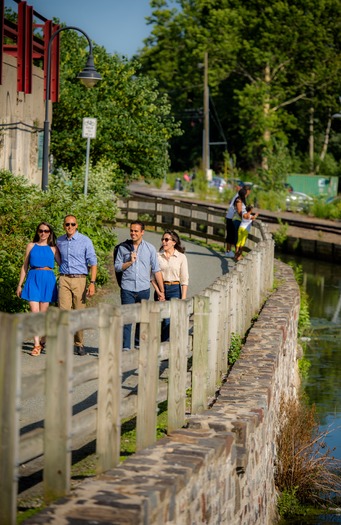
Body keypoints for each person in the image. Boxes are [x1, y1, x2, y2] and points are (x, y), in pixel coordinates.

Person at [114, 221, 165, 350]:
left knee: (141, 319)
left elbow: (156, 270)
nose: (133, 233)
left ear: (142, 232)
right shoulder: (122, 248)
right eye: (131, 230)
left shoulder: (150, 248)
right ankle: (125, 348)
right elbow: (117, 267)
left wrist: (161, 290)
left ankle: (138, 345)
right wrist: (129, 262)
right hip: (127, 288)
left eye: (136, 231)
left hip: (143, 289)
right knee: (127, 318)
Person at [16, 222, 60, 356]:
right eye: (41, 231)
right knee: (34, 312)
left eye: (46, 231)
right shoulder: (31, 246)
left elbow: (63, 264)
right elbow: (24, 266)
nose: (43, 233)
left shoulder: (53, 248)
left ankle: (44, 337)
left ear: (50, 233)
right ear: (37, 231)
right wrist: (20, 284)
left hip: (47, 279)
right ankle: (36, 345)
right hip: (33, 278)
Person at [57, 215, 97, 356]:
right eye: (67, 224)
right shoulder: (60, 241)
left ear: (77, 225)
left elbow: (93, 263)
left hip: (80, 279)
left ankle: (79, 343)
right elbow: (58, 258)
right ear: (64, 225)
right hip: (64, 279)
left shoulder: (85, 241)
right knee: (64, 312)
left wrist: (92, 283)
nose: (70, 227)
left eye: (72, 224)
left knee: (79, 313)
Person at [151, 230, 189, 342]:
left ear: (174, 242)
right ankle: (158, 344)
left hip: (175, 289)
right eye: (162, 239)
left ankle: (165, 347)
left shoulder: (181, 257)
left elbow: (184, 278)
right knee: (159, 319)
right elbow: (152, 277)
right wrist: (159, 292)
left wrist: (183, 298)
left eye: (166, 239)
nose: (164, 242)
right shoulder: (157, 256)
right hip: (160, 289)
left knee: (169, 320)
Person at [225, 181, 245, 257]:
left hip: (230, 216)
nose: (237, 187)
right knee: (231, 235)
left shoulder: (237, 195)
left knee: (231, 234)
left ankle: (229, 251)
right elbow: (236, 207)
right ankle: (228, 251)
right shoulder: (238, 197)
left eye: (238, 186)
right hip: (232, 217)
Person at [232, 185, 252, 251]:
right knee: (238, 237)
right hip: (237, 219)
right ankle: (237, 253)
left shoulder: (242, 200)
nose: (247, 195)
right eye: (246, 193)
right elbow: (239, 211)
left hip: (240, 220)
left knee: (239, 237)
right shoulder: (239, 200)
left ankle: (238, 253)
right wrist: (246, 218)